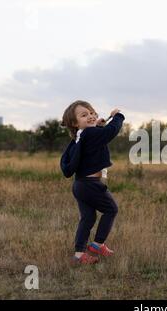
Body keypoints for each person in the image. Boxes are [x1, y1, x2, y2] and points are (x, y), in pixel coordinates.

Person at [60, 100, 125, 265]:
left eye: (91, 113)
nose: (90, 116)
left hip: (80, 185)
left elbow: (97, 140)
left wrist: (98, 126)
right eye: (84, 115)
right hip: (91, 185)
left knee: (88, 218)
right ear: (75, 123)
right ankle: (97, 245)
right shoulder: (89, 134)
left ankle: (79, 255)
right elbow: (111, 132)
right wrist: (117, 116)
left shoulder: (81, 136)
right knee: (111, 209)